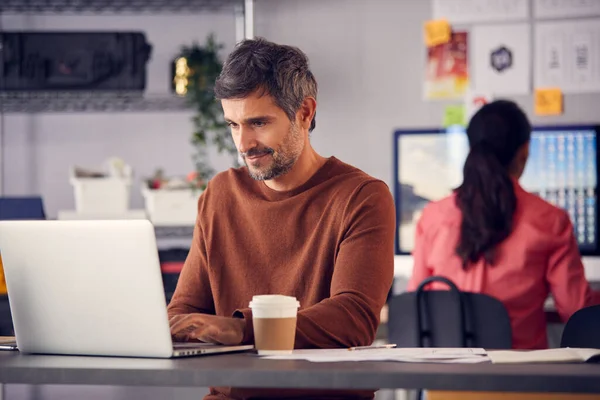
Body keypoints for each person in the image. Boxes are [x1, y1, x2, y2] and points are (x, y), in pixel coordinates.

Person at [167, 38, 395, 400]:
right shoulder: (220, 194)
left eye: (258, 122)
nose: (243, 143)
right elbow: (185, 310)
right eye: (233, 125)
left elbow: (354, 318)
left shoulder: (361, 196)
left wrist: (241, 329)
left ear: (304, 113)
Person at [408, 99, 600, 350]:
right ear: (524, 153)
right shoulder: (551, 220)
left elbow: (416, 305)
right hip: (521, 381)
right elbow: (577, 312)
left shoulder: (432, 216)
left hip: (445, 382)